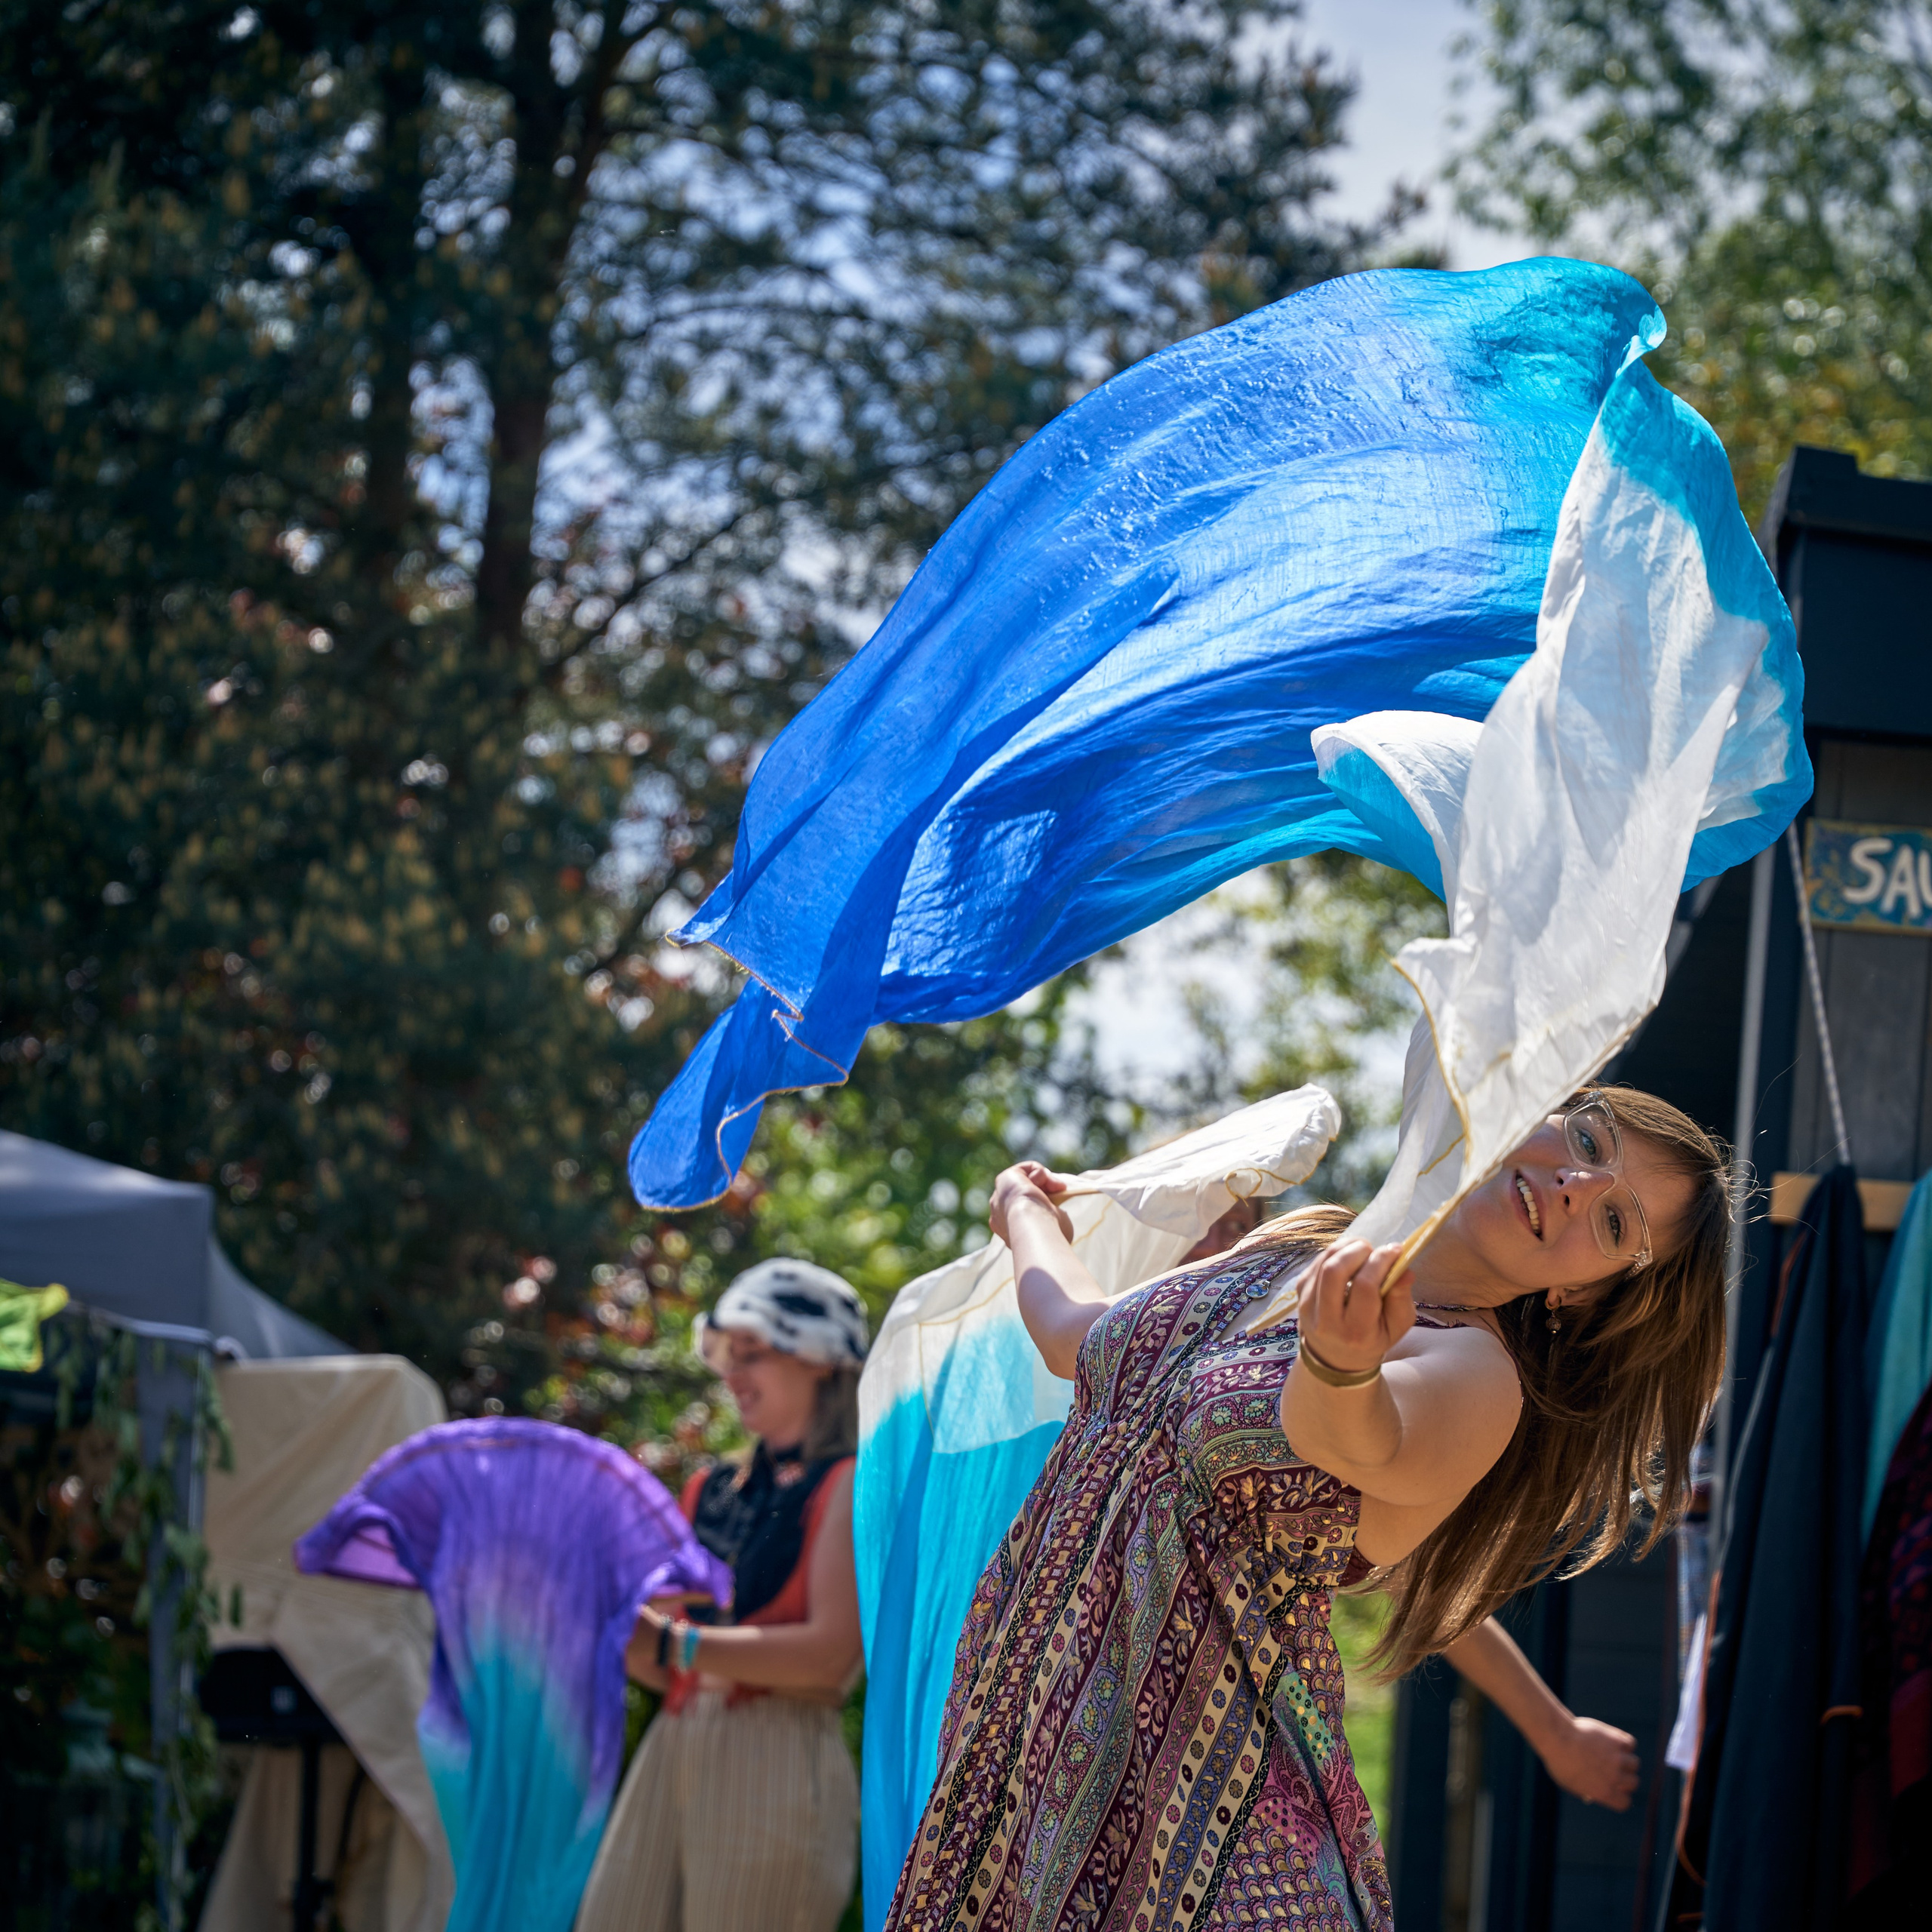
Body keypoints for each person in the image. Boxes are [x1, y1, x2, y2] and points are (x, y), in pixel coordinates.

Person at [883, 1086, 1722, 1930]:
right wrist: (1026, 1213)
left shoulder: (1477, 1377)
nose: (1578, 1181)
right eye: (1587, 1136)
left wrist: (1341, 1366)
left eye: (1616, 1223)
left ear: (1581, 1294)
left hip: (1216, 1853)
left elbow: (1356, 1436)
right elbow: (1089, 1341)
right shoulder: (1305, 1238)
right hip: (1025, 1767)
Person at [575, 1260, 869, 1932]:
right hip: (673, 1745)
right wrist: (601, 1615)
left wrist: (675, 1642)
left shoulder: (850, 1480)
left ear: (820, 1358)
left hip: (779, 1754)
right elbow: (661, 1667)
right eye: (726, 1356)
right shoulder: (710, 1490)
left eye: (753, 1353)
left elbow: (829, 1662)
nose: (732, 1375)